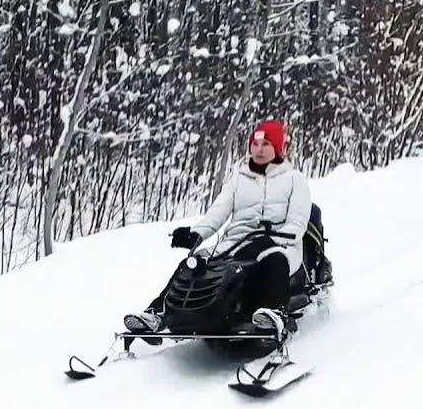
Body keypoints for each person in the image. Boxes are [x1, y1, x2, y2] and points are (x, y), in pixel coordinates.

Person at [125, 121, 312, 338]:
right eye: (255, 144)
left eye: (266, 144)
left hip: (280, 244)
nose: (258, 149)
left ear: (278, 148)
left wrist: (275, 239)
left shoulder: (294, 180)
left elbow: (298, 222)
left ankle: (274, 313)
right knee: (192, 264)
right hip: (235, 243)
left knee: (274, 260)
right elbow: (218, 212)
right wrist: (196, 234)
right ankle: (158, 313)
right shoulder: (238, 179)